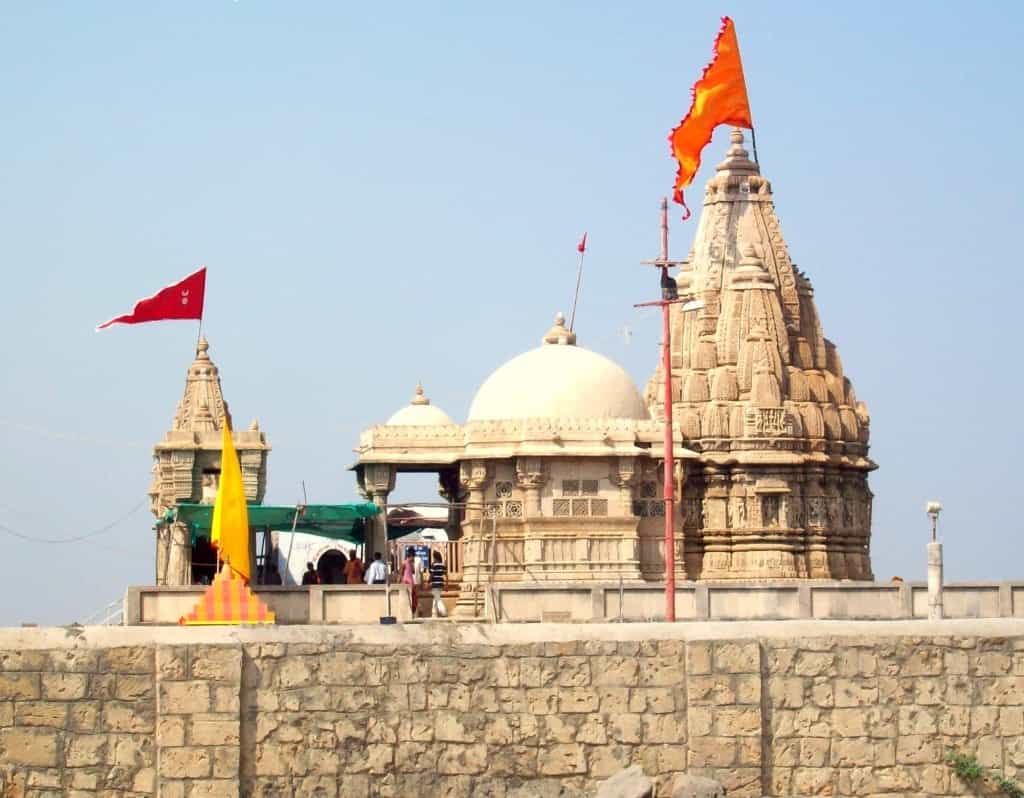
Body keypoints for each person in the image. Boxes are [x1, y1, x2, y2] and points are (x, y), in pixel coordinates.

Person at [429, 550, 447, 617]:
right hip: (441, 583)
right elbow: (446, 575)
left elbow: (431, 574)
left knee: (438, 599)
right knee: (436, 598)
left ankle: (443, 612)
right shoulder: (442, 565)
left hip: (435, 584)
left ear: (435, 557)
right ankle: (434, 613)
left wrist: (428, 582)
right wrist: (447, 584)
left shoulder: (434, 564)